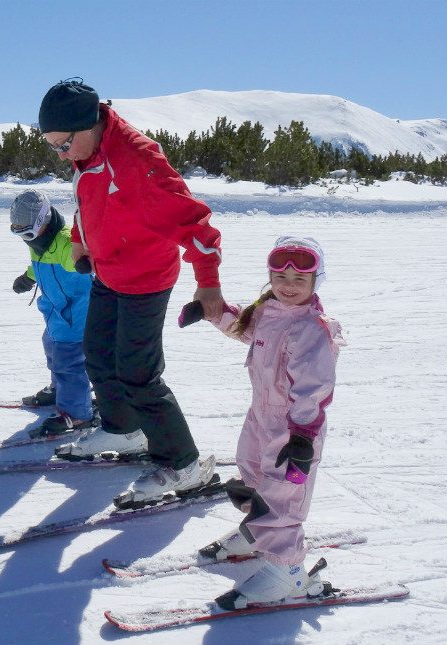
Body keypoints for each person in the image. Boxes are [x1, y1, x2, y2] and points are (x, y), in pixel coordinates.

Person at [37, 78, 225, 509]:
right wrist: (81, 241)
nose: (62, 155)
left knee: (138, 373)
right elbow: (86, 202)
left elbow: (195, 224)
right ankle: (123, 429)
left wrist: (208, 282)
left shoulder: (138, 160)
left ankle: (184, 464)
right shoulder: (86, 150)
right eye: (54, 148)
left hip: (146, 278)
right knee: (98, 354)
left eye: (64, 145)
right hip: (108, 272)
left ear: (90, 124)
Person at [198, 236, 345, 609]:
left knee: (284, 493)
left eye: (300, 280)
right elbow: (245, 327)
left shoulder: (314, 327)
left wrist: (303, 437)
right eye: (281, 277)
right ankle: (256, 533)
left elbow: (313, 387)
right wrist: (213, 312)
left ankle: (288, 571)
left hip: (296, 427)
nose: (289, 286)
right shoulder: (269, 311)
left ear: (316, 282)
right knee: (251, 474)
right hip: (260, 415)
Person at [9, 189, 96, 436]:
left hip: (75, 315)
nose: (23, 236)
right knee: (51, 347)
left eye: (25, 229)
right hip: (57, 313)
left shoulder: (65, 242)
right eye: (17, 229)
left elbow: (82, 257)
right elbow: (40, 263)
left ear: (41, 221)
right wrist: (27, 277)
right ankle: (60, 390)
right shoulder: (39, 242)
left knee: (69, 361)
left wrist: (85, 262)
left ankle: (78, 414)